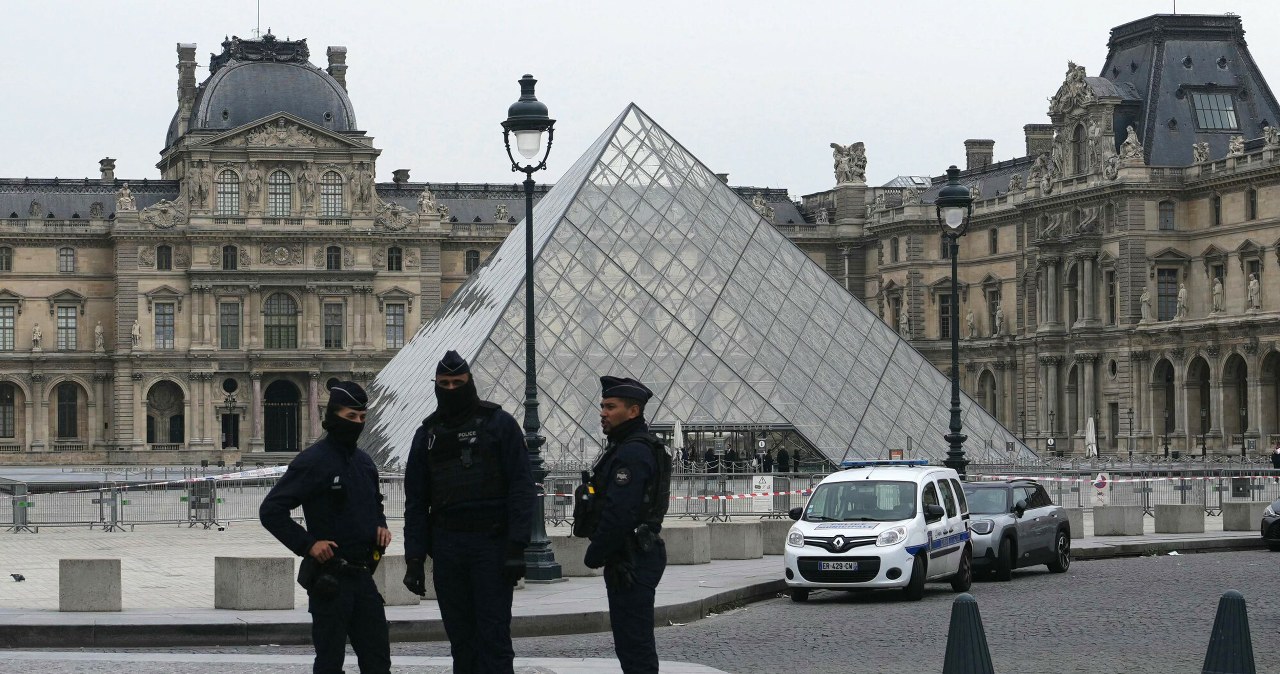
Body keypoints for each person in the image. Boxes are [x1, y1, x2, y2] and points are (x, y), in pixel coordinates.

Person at [402, 350, 534, 674]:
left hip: (492, 545)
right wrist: (414, 560)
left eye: (457, 382)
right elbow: (416, 502)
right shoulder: (426, 436)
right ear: (435, 384)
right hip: (448, 548)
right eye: (444, 383)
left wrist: (518, 546)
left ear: (470, 382)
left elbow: (521, 488)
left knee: (494, 639)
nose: (450, 389)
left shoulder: (500, 425)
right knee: (461, 642)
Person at [259, 381, 391, 674]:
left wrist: (381, 526)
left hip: (363, 576)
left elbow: (374, 504)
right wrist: (307, 544)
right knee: (330, 663)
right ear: (332, 417)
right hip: (330, 578)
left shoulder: (365, 463)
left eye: (361, 417)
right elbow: (271, 510)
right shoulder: (313, 461)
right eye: (350, 416)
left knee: (379, 661)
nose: (357, 423)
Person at [579, 376, 670, 674]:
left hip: (631, 558)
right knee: (632, 642)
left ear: (633, 411)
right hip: (631, 555)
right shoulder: (630, 446)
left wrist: (596, 551)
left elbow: (621, 511)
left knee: (634, 644)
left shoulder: (631, 452)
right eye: (602, 405)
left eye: (610, 406)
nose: (602, 412)